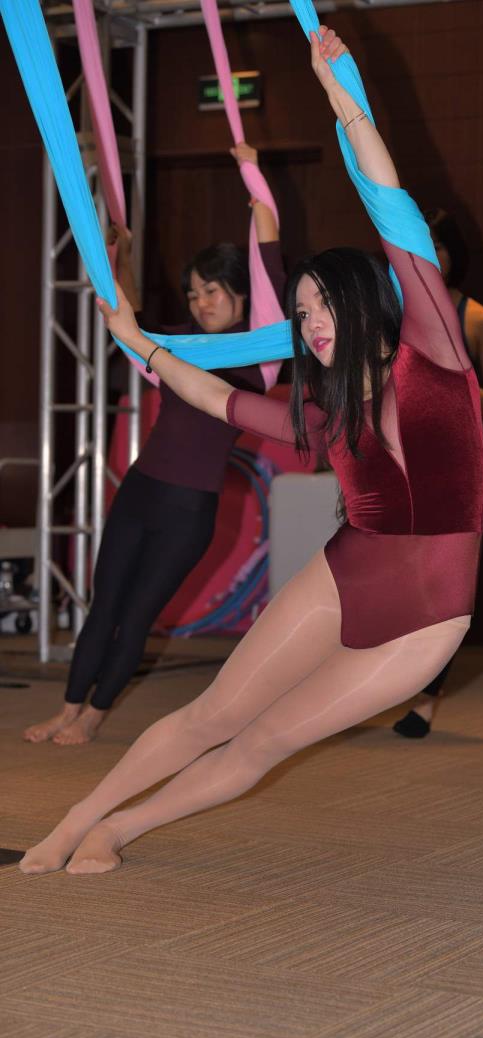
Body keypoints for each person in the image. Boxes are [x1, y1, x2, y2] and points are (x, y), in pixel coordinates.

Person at [19, 26, 483, 875]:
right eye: (300, 312)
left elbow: (393, 204)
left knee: (266, 740)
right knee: (214, 713)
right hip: (348, 571)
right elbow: (214, 396)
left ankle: (123, 829)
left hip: (427, 621)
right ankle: (78, 818)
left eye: (321, 305)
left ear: (364, 299)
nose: (310, 323)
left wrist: (343, 98)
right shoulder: (325, 411)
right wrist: (140, 342)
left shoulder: (437, 352)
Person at [23, 143, 285, 746]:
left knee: (137, 614)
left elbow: (270, 262)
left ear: (240, 294)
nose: (200, 302)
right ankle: (68, 707)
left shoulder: (257, 358)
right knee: (104, 602)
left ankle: (94, 716)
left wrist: (253, 180)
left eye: (211, 291)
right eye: (193, 293)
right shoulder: (177, 347)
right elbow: (128, 317)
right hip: (141, 491)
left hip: (188, 512)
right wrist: (120, 253)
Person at [394, 209, 483, 739]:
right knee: (398, 580)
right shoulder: (392, 312)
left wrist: (451, 386)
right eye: (420, 245)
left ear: (452, 254)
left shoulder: (479, 317)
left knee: (444, 586)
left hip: (456, 464)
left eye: (437, 246)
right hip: (399, 459)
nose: (429, 256)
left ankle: (425, 699)